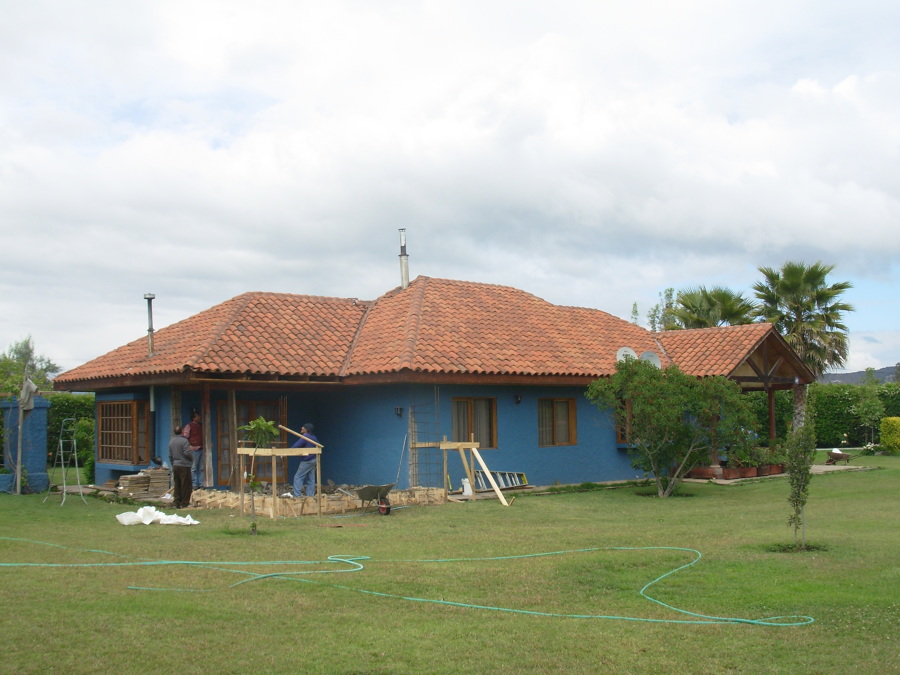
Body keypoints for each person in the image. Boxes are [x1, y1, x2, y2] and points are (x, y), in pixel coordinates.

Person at [169, 425, 194, 509]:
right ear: (182, 431)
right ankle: (184, 503)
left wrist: (173, 463)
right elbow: (187, 452)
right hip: (184, 465)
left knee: (177, 484)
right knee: (186, 485)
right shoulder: (184, 441)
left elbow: (170, 455)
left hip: (175, 465)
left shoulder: (171, 442)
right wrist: (191, 458)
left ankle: (176, 502)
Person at [292, 423, 319, 497]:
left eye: (303, 427)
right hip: (314, 459)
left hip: (307, 460)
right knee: (311, 478)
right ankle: (310, 496)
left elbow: (296, 446)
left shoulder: (305, 436)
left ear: (306, 429)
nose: (301, 428)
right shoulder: (313, 437)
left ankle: (297, 496)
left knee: (298, 477)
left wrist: (288, 451)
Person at [183, 410, 203, 489]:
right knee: (193, 468)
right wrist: (189, 446)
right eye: (198, 416)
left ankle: (201, 484)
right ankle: (194, 484)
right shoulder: (189, 426)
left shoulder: (201, 426)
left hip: (201, 448)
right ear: (193, 418)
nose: (199, 417)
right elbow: (185, 437)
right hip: (194, 449)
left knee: (201, 468)